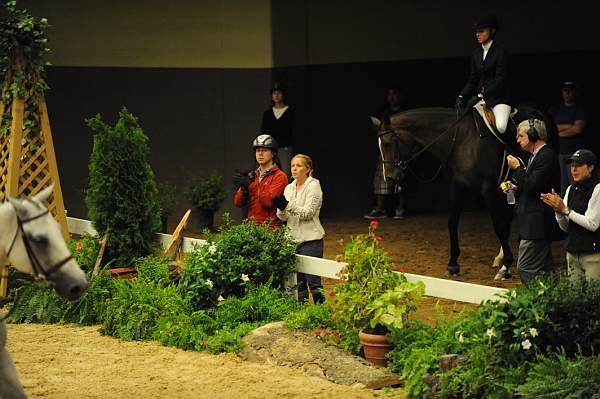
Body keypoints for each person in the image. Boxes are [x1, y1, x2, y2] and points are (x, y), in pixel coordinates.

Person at [501, 119, 560, 282]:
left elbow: (533, 186)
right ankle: (554, 302)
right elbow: (531, 185)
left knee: (525, 267)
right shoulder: (536, 156)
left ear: (534, 136)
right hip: (533, 221)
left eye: (521, 136)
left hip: (537, 223)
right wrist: (515, 188)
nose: (518, 140)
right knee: (545, 269)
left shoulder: (546, 155)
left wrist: (517, 168)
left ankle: (536, 302)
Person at [541, 149, 600, 281]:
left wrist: (566, 210)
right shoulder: (570, 189)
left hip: (593, 255)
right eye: (572, 166)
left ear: (590, 168)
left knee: (593, 298)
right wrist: (558, 212)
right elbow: (566, 227)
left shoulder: (598, 189)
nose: (573, 169)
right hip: (572, 253)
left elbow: (593, 224)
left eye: (578, 166)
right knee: (573, 298)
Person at [274, 154, 326, 303]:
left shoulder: (314, 185)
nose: (294, 169)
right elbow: (282, 217)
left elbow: (308, 213)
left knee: (314, 283)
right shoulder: (288, 188)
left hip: (311, 241)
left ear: (307, 168)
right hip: (291, 241)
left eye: (299, 165)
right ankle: (302, 317)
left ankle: (321, 314)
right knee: (299, 284)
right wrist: (281, 209)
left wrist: (287, 205)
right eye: (292, 166)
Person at [456, 14, 511, 134]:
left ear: (492, 31)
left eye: (481, 31)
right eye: (476, 31)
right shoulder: (476, 53)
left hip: (498, 99)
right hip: (481, 99)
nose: (477, 34)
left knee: (501, 126)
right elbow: (473, 79)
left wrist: (481, 95)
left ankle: (512, 150)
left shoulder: (500, 52)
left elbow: (500, 80)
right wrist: (462, 96)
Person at [364, 87, 406, 219]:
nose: (391, 97)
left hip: (400, 151)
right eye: (389, 95)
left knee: (400, 179)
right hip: (386, 151)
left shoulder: (404, 112)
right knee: (381, 177)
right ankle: (380, 209)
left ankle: (401, 208)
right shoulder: (384, 112)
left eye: (394, 94)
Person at [233, 134, 288, 229]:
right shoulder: (252, 175)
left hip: (271, 229)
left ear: (273, 153)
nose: (260, 154)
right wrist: (243, 188)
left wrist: (251, 185)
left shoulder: (279, 176)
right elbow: (238, 203)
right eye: (258, 151)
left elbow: (267, 202)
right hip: (252, 228)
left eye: (264, 150)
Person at [548, 81, 588, 195]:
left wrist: (559, 132)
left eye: (570, 91)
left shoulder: (579, 108)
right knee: (563, 184)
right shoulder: (556, 109)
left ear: (574, 92)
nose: (567, 93)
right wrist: (569, 125)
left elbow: (577, 129)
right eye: (565, 91)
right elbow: (550, 127)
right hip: (561, 153)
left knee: (575, 182)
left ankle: (576, 208)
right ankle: (564, 209)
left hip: (574, 154)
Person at [260, 82, 295, 178]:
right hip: (271, 149)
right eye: (274, 93)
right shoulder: (268, 113)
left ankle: (286, 193)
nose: (276, 95)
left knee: (286, 174)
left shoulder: (290, 112)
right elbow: (264, 133)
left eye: (279, 93)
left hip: (285, 148)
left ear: (283, 94)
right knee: (269, 174)